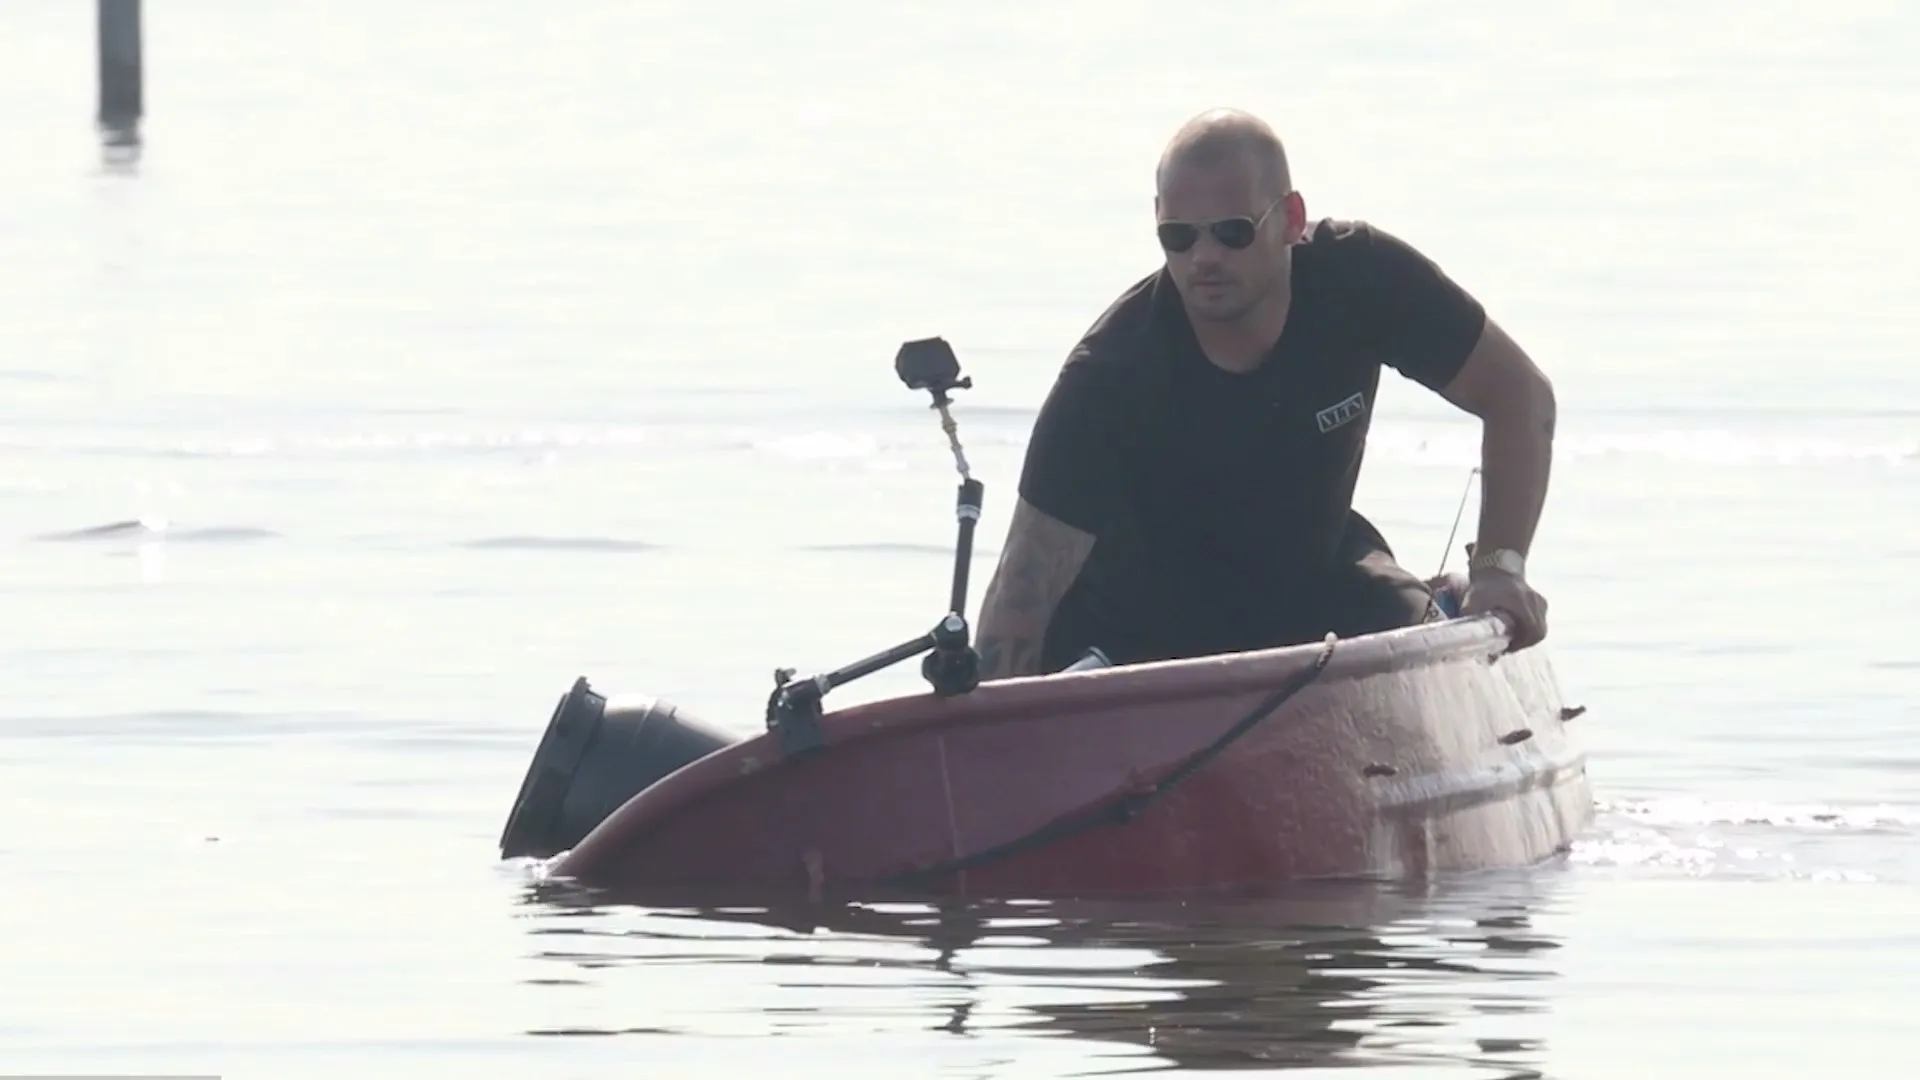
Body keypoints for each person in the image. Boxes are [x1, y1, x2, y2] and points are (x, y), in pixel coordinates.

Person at [971, 108, 1556, 680]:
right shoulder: (1109, 377)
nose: (1204, 258)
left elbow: (1518, 394)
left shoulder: (1362, 278)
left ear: (1291, 218)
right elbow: (1019, 598)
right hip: (1145, 636)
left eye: (1232, 232)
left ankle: (1448, 613)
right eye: (1178, 237)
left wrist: (1500, 567)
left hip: (1317, 577)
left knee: (1410, 623)